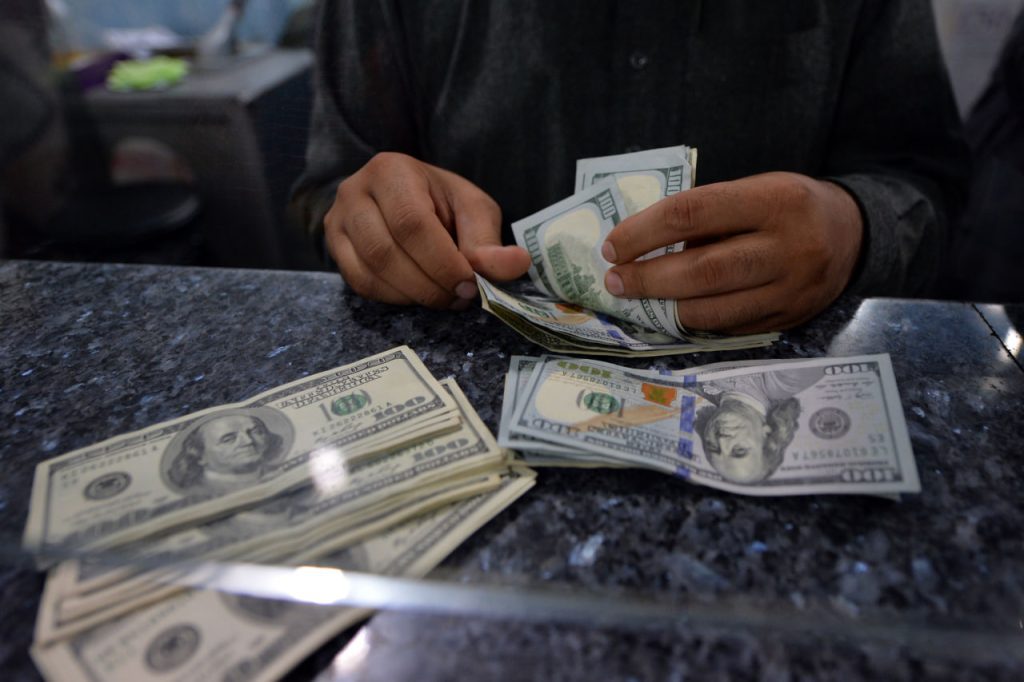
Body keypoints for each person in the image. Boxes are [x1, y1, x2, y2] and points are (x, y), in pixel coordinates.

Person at [292, 1, 969, 333]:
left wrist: (853, 230)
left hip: (771, 391)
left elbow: (927, 182)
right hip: (469, 390)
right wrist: (375, 222)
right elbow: (330, 189)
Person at [692, 366, 823, 484]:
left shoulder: (696, 387)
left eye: (712, 446)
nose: (721, 440)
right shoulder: (787, 382)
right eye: (739, 450)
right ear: (767, 434)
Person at [165, 411, 286, 494]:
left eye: (256, 432)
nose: (248, 441)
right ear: (200, 455)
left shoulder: (280, 470)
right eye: (228, 439)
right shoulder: (194, 489)